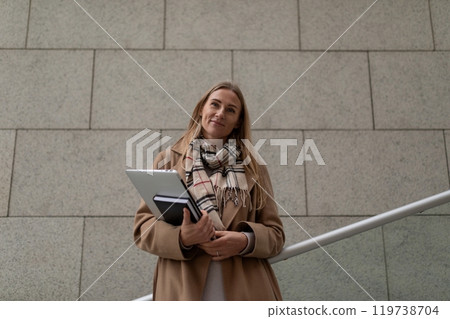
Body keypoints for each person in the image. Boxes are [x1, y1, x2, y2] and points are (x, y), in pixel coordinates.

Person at [133, 81, 285, 300]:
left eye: (230, 110)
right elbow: (143, 228)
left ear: (237, 122)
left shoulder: (253, 168)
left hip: (245, 290)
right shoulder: (168, 160)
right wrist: (182, 238)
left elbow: (276, 235)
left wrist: (245, 241)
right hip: (182, 289)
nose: (220, 113)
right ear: (202, 109)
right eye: (215, 104)